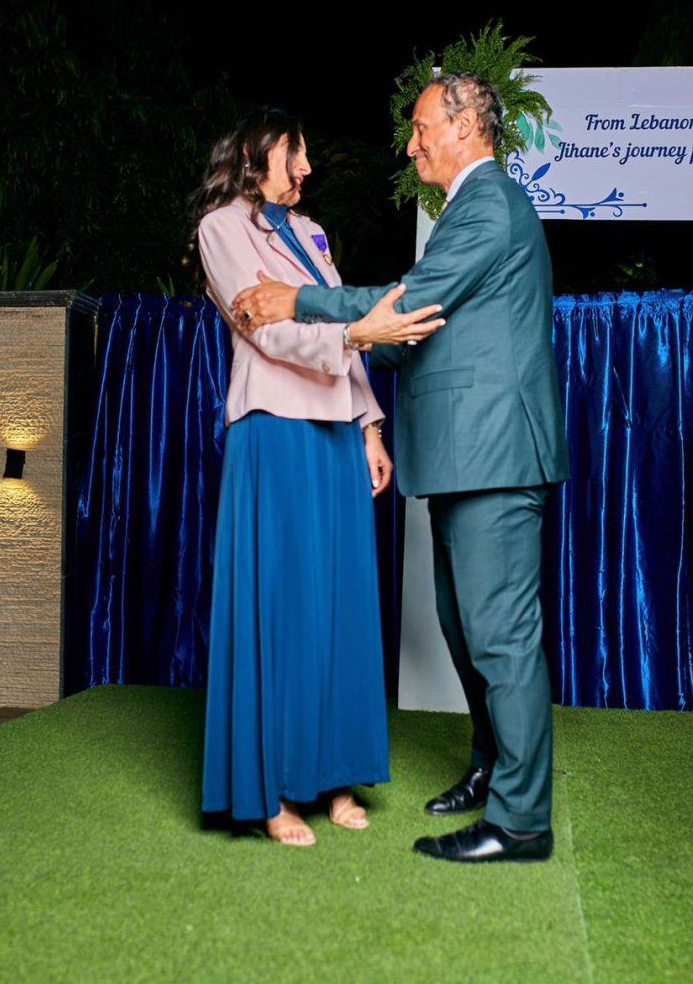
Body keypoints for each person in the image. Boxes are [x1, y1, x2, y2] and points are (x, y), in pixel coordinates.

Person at [232, 74, 571, 863]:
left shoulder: (488, 205)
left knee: (501, 637)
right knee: (466, 629)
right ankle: (493, 767)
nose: (410, 144)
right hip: (462, 455)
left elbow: (411, 303)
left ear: (465, 127)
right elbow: (413, 333)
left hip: (493, 452)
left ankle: (521, 821)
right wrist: (356, 343)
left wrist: (296, 303)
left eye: (421, 128)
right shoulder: (468, 210)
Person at [196, 107, 443, 847]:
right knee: (283, 603)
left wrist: (369, 426)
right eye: (294, 153)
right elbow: (264, 328)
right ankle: (273, 792)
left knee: (340, 602)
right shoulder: (220, 228)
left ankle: (336, 777)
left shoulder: (311, 234)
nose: (306, 168)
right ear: (256, 153)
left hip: (336, 430)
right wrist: (356, 332)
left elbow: (345, 340)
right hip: (274, 428)